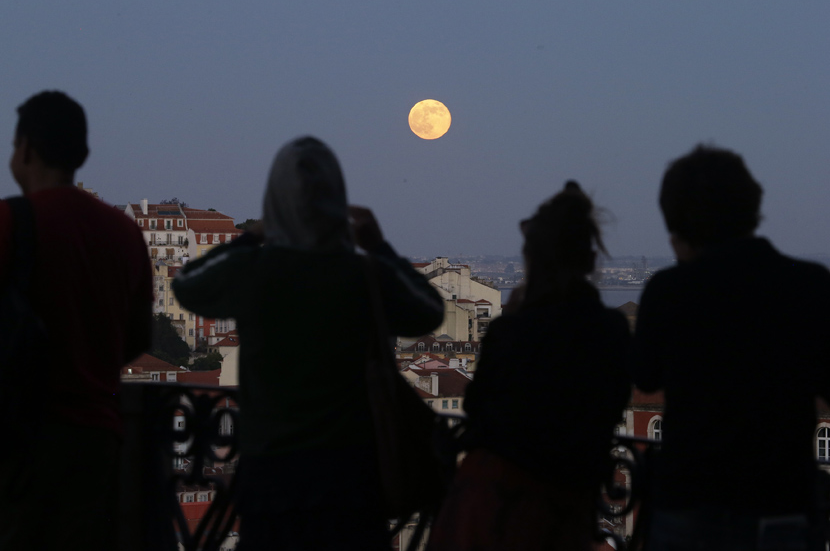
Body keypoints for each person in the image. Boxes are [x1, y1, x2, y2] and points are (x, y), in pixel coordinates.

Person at [172, 136, 444, 550]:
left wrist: (251, 236)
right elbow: (429, 310)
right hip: (351, 480)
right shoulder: (362, 273)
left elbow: (187, 285)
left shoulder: (256, 270)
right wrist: (379, 246)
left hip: (272, 481)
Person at [632, 145, 830, 550]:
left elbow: (645, 375)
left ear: (677, 225)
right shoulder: (809, 285)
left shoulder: (669, 292)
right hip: (781, 503)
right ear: (752, 208)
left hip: (689, 502)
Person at [427, 181, 631, 551]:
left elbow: (477, 407)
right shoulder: (611, 331)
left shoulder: (513, 329)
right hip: (567, 510)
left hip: (495, 506)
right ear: (587, 259)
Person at [0, 91, 153, 549]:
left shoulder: (10, 222)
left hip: (21, 441)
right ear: (82, 155)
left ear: (24, 148)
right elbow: (138, 337)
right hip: (97, 445)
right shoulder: (125, 234)